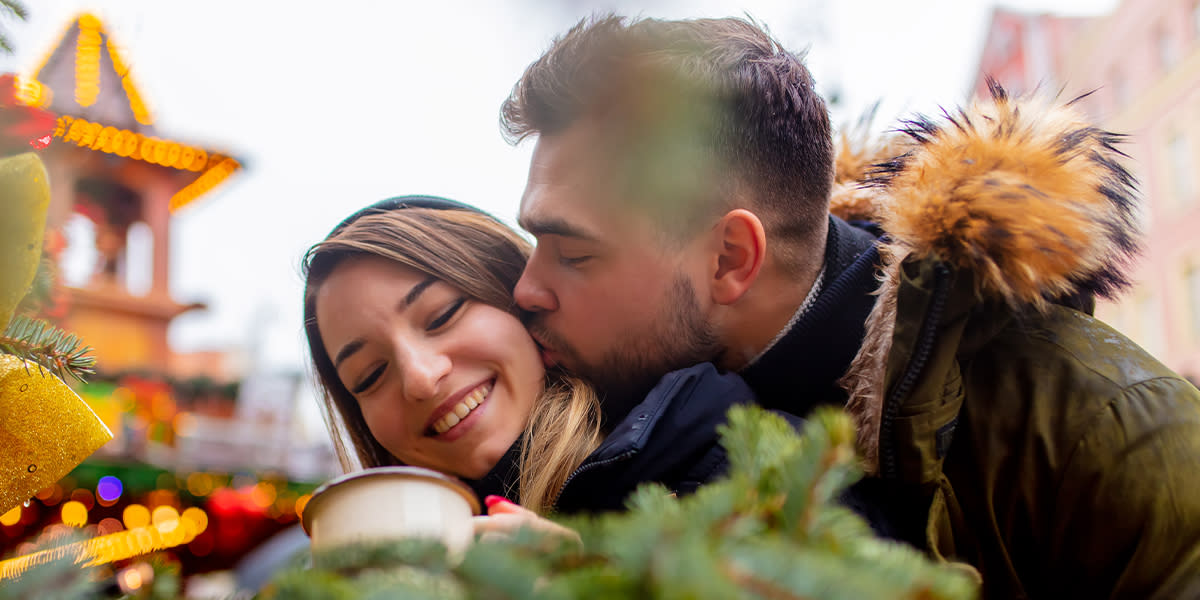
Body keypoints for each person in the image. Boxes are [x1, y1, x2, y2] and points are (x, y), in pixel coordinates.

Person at [501, 14, 1200, 599]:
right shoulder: (602, 410)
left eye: (575, 253)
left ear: (730, 259)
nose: (525, 290)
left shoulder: (1107, 429)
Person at [302, 196, 877, 528]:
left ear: (523, 299)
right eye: (369, 376)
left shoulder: (737, 456)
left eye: (443, 313)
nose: (421, 378)